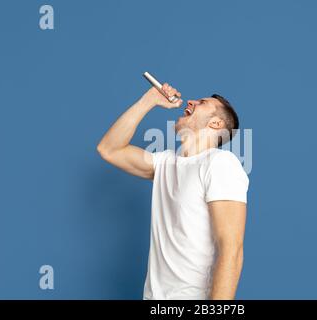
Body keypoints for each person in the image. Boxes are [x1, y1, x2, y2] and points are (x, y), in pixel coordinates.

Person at [97, 82, 249, 299]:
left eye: (202, 103)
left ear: (216, 123)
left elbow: (231, 249)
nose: (191, 102)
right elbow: (109, 149)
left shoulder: (220, 163)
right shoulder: (165, 164)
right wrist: (148, 101)